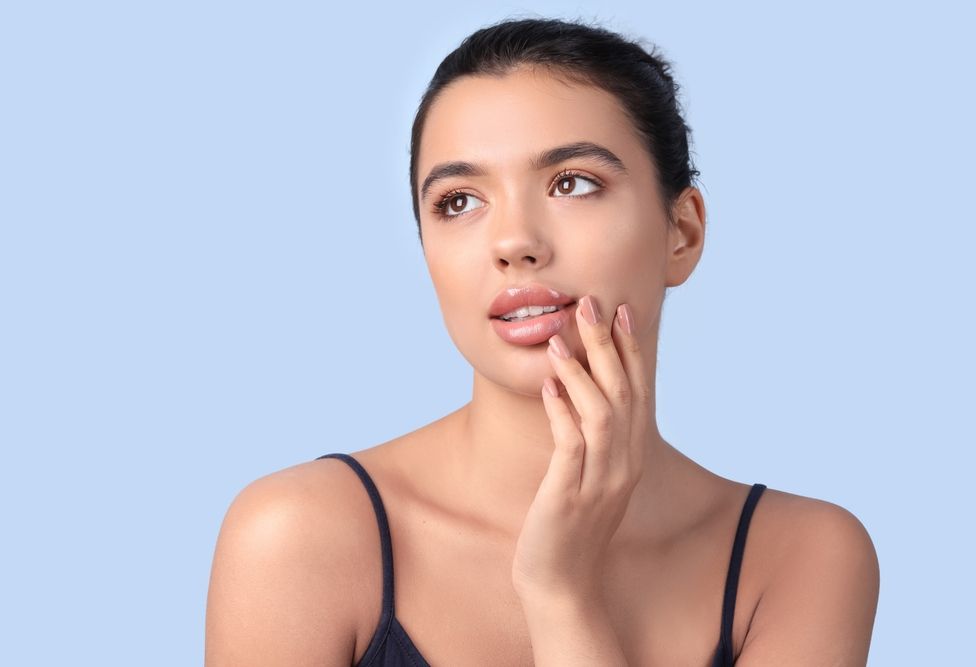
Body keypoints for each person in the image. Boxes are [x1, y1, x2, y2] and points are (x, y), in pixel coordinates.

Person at [205, 17, 880, 666]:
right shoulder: (298, 538)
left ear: (683, 232)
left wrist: (561, 591)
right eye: (458, 201)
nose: (514, 242)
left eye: (572, 183)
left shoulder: (799, 556)